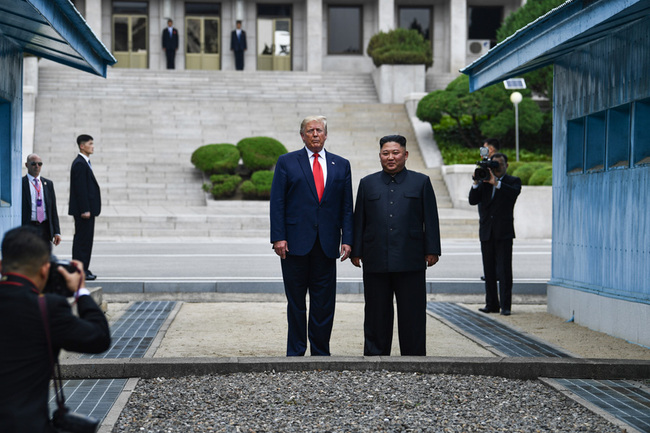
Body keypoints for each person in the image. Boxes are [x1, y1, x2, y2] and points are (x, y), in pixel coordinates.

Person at [0, 226, 111, 432]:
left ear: (1, 266)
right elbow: (99, 338)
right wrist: (81, 292)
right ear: (44, 269)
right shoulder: (46, 308)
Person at [270, 115, 354, 356]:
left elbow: (346, 206)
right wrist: (278, 237)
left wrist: (347, 239)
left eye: (319, 130)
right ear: (302, 135)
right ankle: (296, 351)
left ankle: (320, 351)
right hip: (294, 244)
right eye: (310, 130)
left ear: (326, 135)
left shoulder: (342, 164)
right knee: (296, 303)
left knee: (324, 303)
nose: (315, 134)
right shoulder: (287, 162)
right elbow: (278, 202)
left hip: (327, 245)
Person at [351, 134, 441, 356]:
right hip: (375, 258)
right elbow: (359, 219)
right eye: (385, 153)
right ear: (380, 156)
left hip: (410, 258)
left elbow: (430, 218)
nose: (390, 157)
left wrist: (432, 249)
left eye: (395, 153)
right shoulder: (367, 183)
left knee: (412, 312)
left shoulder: (421, 182)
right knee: (375, 311)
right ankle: (375, 355)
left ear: (405, 155)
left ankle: (414, 357)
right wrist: (357, 250)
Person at [469, 152, 521, 316]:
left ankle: (506, 306)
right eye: (493, 164)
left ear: (506, 165)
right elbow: (472, 200)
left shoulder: (513, 182)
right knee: (489, 270)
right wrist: (476, 183)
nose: (496, 167)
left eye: (498, 164)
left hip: (503, 232)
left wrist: (496, 182)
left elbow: (513, 194)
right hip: (486, 232)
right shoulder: (484, 182)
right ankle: (491, 303)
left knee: (504, 270)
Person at [68, 134, 101, 281]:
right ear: (82, 146)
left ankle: (83, 268)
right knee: (83, 240)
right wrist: (85, 209)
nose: (93, 146)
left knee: (85, 240)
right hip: (84, 212)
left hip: (87, 210)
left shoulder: (83, 162)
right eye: (90, 143)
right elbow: (80, 189)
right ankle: (80, 270)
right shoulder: (80, 163)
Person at [22, 153, 62, 246]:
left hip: (45, 227)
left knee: (44, 256)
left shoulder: (48, 184)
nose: (37, 166)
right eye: (33, 164)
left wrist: (57, 232)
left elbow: (53, 209)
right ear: (27, 165)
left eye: (39, 164)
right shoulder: (21, 183)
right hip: (28, 226)